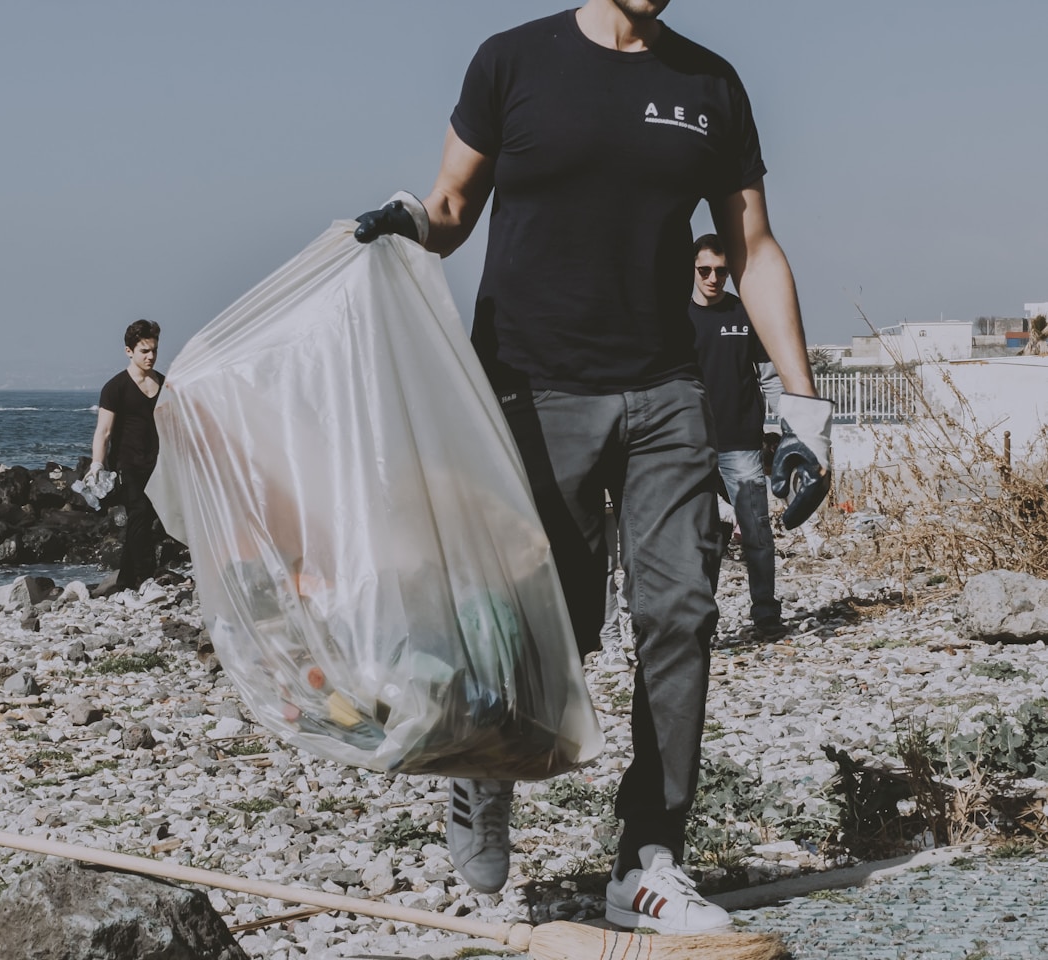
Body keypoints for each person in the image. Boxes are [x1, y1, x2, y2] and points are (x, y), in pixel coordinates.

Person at [354, 0, 832, 936]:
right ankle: (488, 771)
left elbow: (753, 247)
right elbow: (452, 205)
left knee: (682, 616)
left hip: (667, 393)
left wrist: (805, 405)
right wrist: (407, 219)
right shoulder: (512, 62)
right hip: (534, 390)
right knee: (552, 626)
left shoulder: (709, 85)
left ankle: (648, 858)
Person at [689, 234, 786, 639]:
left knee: (757, 533)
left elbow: (770, 377)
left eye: (721, 271)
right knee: (704, 539)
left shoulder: (744, 315)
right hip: (691, 449)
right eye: (705, 270)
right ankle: (702, 623)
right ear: (692, 269)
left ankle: (765, 615)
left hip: (741, 446)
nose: (713, 278)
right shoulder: (674, 318)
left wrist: (778, 429)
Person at [87, 319, 165, 592]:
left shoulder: (164, 384)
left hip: (157, 465)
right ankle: (145, 579)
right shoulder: (115, 387)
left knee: (144, 521)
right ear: (129, 351)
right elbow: (104, 431)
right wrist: (97, 464)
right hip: (127, 465)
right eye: (144, 351)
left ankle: (124, 582)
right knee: (139, 513)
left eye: (154, 350)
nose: (151, 356)